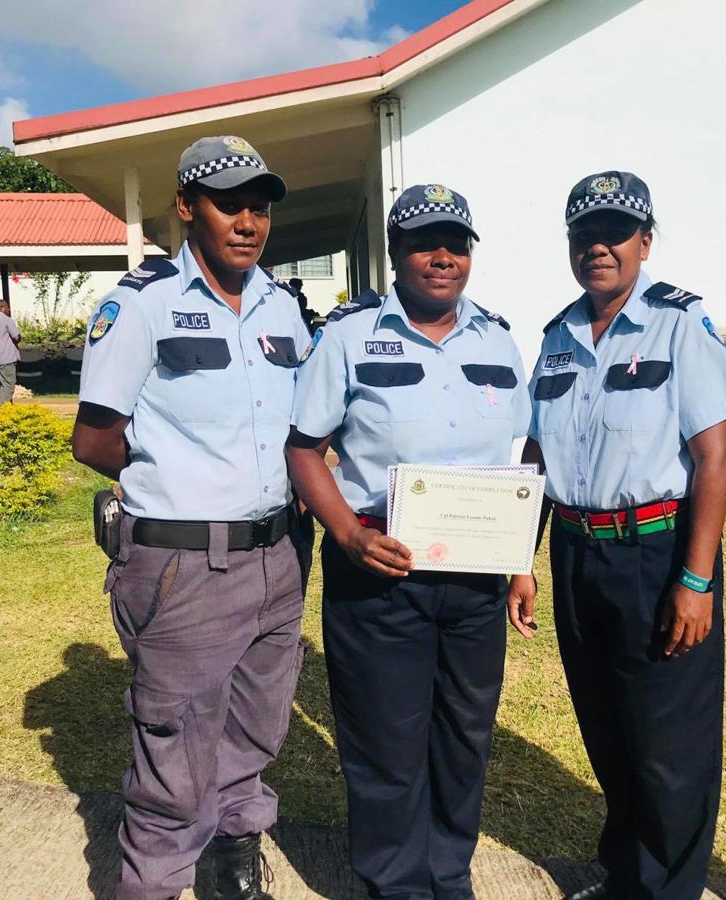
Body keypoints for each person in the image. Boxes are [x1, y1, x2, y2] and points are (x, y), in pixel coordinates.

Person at [71, 135, 311, 900]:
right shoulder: (141, 306)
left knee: (255, 730)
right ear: (185, 207)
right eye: (229, 202)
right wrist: (180, 485)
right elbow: (95, 438)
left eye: (260, 204)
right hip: (182, 568)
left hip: (278, 559)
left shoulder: (284, 306)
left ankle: (236, 864)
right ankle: (156, 884)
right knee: (174, 758)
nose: (248, 219)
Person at [508, 171, 726, 900]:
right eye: (584, 233)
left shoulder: (679, 325)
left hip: (657, 552)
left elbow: (715, 455)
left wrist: (697, 579)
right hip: (576, 551)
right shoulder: (556, 337)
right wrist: (519, 558)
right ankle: (625, 876)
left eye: (615, 232)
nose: (599, 246)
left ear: (645, 241)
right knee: (609, 729)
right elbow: (536, 456)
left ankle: (667, 890)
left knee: (668, 748)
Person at [287, 184, 530, 900]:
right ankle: (394, 885)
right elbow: (304, 449)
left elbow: (520, 454)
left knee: (463, 738)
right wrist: (347, 534)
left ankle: (448, 875)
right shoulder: (349, 335)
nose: (443, 257)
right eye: (426, 242)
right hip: (379, 568)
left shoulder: (498, 338)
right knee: (385, 743)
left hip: (477, 578)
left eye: (457, 243)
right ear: (395, 252)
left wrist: (519, 564)